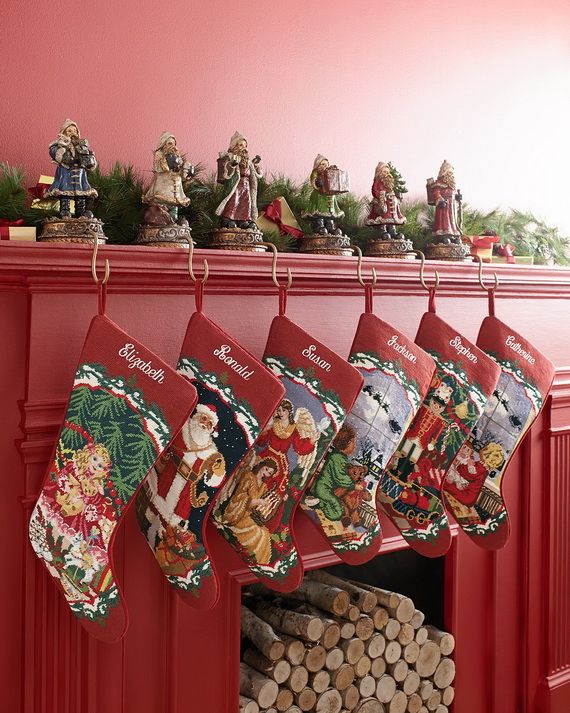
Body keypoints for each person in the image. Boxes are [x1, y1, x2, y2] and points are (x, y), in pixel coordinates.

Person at [219, 458, 280, 565]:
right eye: (267, 469)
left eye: (270, 473)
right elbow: (239, 495)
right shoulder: (249, 476)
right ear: (262, 466)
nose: (266, 473)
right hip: (238, 511)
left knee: (265, 533)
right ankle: (256, 560)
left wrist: (271, 501)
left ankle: (261, 563)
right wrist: (255, 501)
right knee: (259, 533)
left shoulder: (263, 486)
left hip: (250, 515)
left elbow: (263, 501)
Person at [45, 119, 98, 219]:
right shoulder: (59, 145)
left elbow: (89, 161)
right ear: (64, 132)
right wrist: (64, 150)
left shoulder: (82, 146)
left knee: (81, 194)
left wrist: (88, 157)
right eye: (69, 131)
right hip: (66, 173)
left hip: (80, 175)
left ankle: (81, 212)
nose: (72, 133)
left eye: (74, 131)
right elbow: (59, 156)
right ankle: (65, 210)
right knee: (65, 192)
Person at [311, 425, 359, 522]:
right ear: (346, 443)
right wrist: (353, 485)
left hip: (325, 487)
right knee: (337, 512)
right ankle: (319, 503)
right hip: (324, 488)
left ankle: (317, 502)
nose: (355, 446)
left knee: (334, 504)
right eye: (353, 443)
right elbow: (340, 477)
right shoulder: (338, 458)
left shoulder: (338, 456)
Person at [142, 132, 193, 222]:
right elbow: (160, 168)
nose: (173, 146)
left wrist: (186, 171)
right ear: (163, 144)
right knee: (161, 204)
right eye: (169, 143)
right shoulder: (159, 154)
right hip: (163, 186)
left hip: (176, 188)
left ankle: (172, 220)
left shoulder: (177, 156)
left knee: (174, 208)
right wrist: (170, 161)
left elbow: (179, 171)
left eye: (174, 144)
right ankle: (161, 218)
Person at [215, 132, 262, 229]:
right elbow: (226, 172)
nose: (243, 148)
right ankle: (228, 218)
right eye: (240, 145)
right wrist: (232, 165)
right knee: (234, 201)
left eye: (245, 146)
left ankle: (243, 219)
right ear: (235, 146)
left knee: (245, 203)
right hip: (235, 185)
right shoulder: (231, 158)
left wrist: (257, 168)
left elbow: (256, 175)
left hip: (246, 186)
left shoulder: (249, 162)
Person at [303, 154, 344, 235]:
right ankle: (319, 226)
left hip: (330, 196)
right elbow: (314, 182)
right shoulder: (315, 173)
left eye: (326, 164)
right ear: (317, 165)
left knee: (330, 213)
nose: (325, 166)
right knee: (320, 212)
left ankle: (330, 227)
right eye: (322, 164)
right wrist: (318, 182)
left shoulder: (330, 173)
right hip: (320, 196)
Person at [426, 160, 463, 244]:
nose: (450, 174)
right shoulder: (438, 183)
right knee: (444, 221)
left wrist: (458, 198)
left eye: (451, 173)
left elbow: (454, 194)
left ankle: (453, 234)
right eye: (449, 172)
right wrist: (439, 199)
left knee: (452, 221)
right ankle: (444, 235)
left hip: (452, 205)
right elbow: (436, 192)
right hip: (444, 205)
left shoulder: (452, 185)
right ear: (444, 171)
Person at [366, 162, 406, 238]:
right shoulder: (377, 182)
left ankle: (392, 230)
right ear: (379, 172)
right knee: (383, 216)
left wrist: (396, 195)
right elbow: (374, 190)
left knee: (392, 216)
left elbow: (391, 190)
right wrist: (381, 194)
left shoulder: (389, 182)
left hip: (391, 202)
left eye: (387, 172)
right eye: (384, 172)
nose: (386, 174)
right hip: (382, 202)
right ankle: (382, 230)